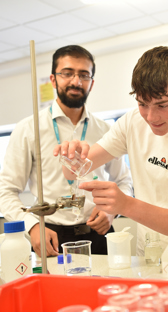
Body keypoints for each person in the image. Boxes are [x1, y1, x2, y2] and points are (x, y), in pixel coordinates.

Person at [54, 46, 168, 258]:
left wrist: (124, 204)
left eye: (162, 105)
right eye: (142, 103)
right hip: (148, 254)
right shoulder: (132, 122)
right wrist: (72, 158)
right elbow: (73, 173)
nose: (150, 117)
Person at [0, 45, 133, 257]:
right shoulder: (28, 129)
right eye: (67, 73)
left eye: (84, 75)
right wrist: (32, 226)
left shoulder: (106, 130)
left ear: (92, 82)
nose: (76, 81)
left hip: (100, 234)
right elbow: (5, 191)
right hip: (51, 236)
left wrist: (112, 210)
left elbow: (124, 181)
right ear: (53, 79)